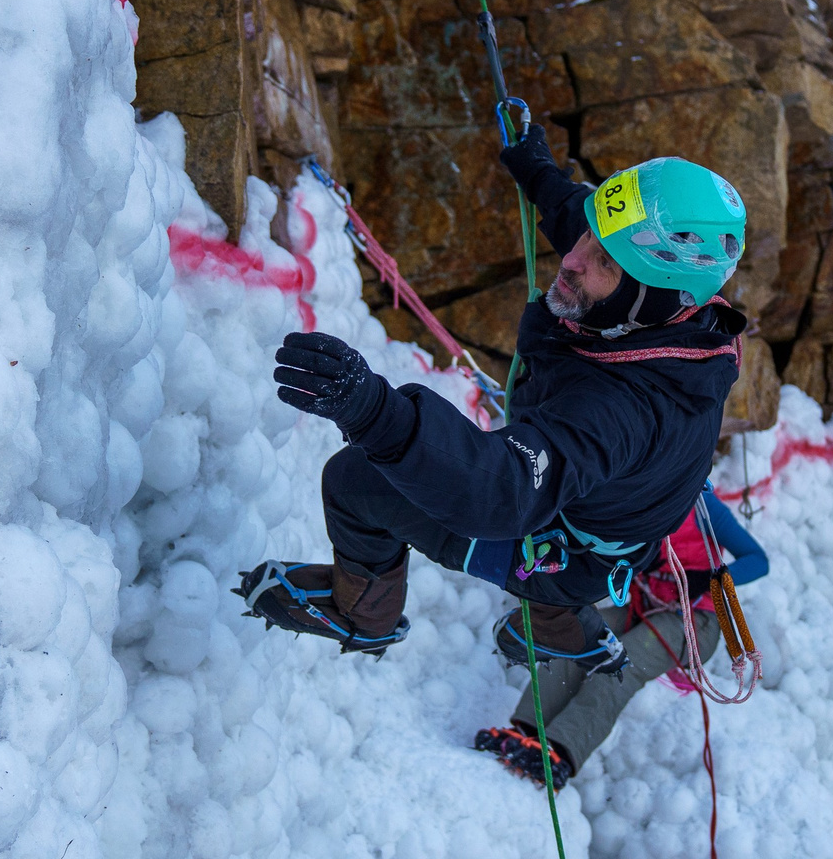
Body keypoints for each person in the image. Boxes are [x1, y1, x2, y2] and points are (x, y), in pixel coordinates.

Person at [233, 118, 749, 681]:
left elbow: (501, 489)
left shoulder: (621, 411)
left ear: (657, 297)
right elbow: (589, 225)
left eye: (604, 262)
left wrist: (377, 415)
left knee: (356, 482)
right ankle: (563, 629)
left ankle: (362, 616)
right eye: (590, 238)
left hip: (567, 550)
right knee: (566, 510)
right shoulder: (679, 319)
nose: (573, 260)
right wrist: (539, 172)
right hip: (609, 526)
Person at [474, 490, 767, 787]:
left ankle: (560, 749)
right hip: (642, 607)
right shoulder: (633, 494)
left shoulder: (704, 507)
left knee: (626, 661)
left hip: (694, 621)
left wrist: (707, 580)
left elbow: (758, 560)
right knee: (575, 637)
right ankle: (527, 731)